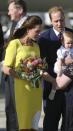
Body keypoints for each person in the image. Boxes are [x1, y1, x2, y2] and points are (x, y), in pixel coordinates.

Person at [38, 6, 73, 131]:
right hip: (52, 87)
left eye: (62, 20)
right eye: (56, 21)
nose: (59, 23)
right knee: (50, 124)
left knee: (69, 124)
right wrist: (54, 80)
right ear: (51, 21)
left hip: (71, 88)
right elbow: (42, 65)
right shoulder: (44, 38)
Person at [3, 15, 43, 131]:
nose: (39, 34)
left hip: (36, 89)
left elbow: (38, 64)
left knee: (34, 125)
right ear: (27, 30)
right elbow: (6, 68)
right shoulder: (15, 44)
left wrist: (40, 70)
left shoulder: (36, 45)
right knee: (24, 124)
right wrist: (22, 75)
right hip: (23, 90)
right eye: (37, 31)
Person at [2, 0, 28, 130]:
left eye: (11, 9)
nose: (8, 12)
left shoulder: (27, 25)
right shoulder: (14, 24)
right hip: (8, 71)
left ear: (20, 10)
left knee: (18, 107)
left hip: (18, 72)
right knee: (10, 107)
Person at [49, 31, 73, 100]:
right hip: (60, 66)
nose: (70, 45)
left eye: (71, 43)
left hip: (70, 67)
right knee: (58, 80)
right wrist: (59, 73)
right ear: (62, 42)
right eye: (68, 43)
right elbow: (60, 61)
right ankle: (53, 90)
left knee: (69, 81)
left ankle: (67, 90)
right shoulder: (60, 50)